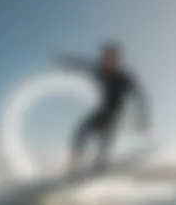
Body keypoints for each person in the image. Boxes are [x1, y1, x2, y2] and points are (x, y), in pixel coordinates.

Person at [54, 41, 151, 174]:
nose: (107, 62)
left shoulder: (125, 78)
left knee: (104, 145)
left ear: (118, 60)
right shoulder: (99, 71)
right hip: (101, 112)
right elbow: (82, 65)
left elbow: (140, 97)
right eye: (105, 58)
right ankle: (74, 167)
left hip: (115, 116)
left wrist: (143, 119)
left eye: (112, 59)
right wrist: (65, 61)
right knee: (79, 134)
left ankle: (99, 168)